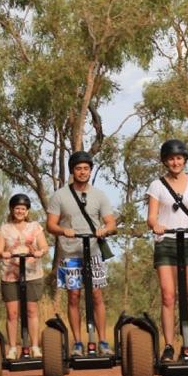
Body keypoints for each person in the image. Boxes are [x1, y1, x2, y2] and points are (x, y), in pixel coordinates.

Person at [46, 150, 117, 356]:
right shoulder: (60, 195)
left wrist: (106, 228)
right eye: (79, 168)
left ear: (90, 171)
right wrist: (63, 230)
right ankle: (78, 343)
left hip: (94, 251)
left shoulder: (99, 195)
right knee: (74, 296)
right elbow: (51, 224)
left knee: (96, 295)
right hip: (71, 253)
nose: (83, 172)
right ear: (72, 171)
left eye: (86, 168)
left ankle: (103, 341)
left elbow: (111, 222)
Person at [145, 139, 188, 361]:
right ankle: (170, 346)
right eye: (171, 158)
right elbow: (151, 216)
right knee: (168, 296)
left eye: (179, 158)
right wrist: (156, 225)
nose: (175, 162)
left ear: (184, 160)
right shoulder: (156, 185)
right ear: (165, 161)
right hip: (166, 243)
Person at [0, 193, 49, 360]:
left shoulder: (35, 227)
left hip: (32, 274)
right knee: (12, 313)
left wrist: (40, 251)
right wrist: (4, 253)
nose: (20, 211)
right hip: (10, 274)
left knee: (32, 311)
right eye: (17, 208)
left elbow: (44, 246)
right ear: (12, 209)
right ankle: (11, 348)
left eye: (23, 209)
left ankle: (35, 347)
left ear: (27, 210)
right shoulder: (4, 229)